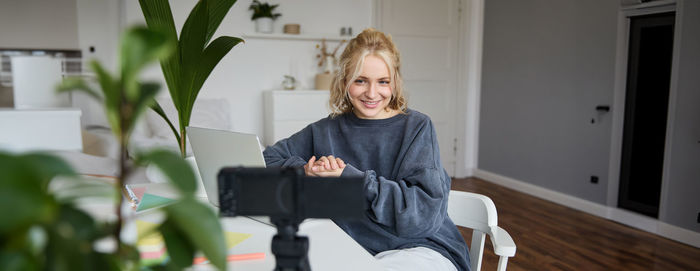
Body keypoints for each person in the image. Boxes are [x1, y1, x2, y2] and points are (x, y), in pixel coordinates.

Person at [263, 28, 470, 271]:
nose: (372, 94)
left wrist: (349, 179)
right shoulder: (325, 130)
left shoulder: (416, 127)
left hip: (418, 247)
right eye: (360, 81)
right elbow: (267, 158)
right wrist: (304, 171)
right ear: (344, 81)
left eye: (383, 82)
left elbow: (422, 215)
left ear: (395, 82)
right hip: (351, 247)